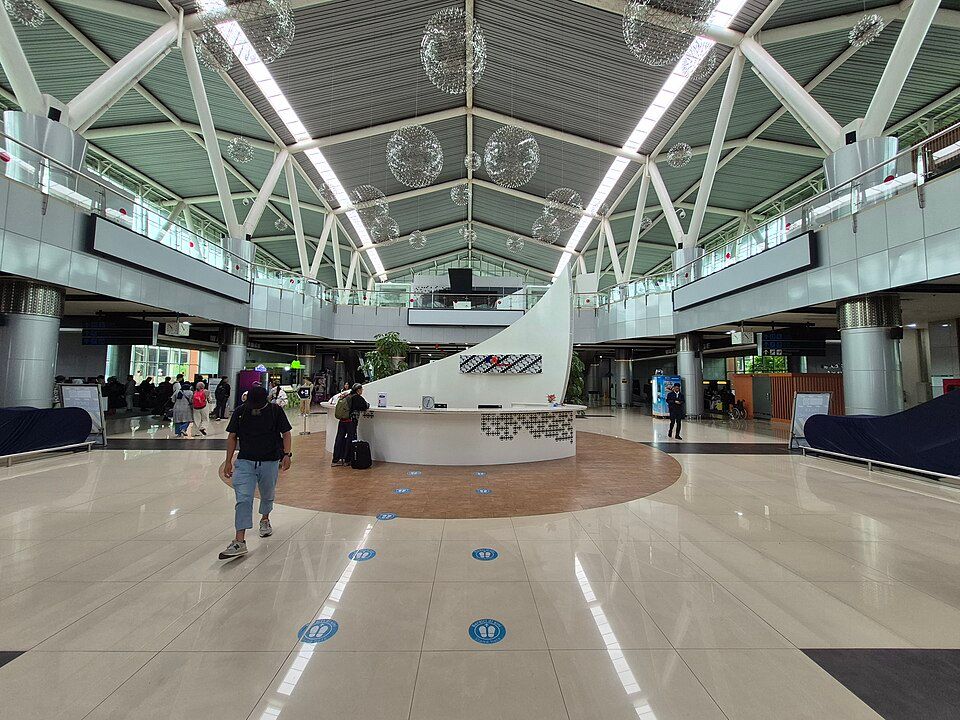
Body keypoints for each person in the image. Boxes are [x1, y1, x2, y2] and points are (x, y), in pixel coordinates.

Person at [219, 385, 292, 559]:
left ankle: (265, 519)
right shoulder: (241, 411)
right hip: (244, 462)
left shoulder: (275, 411)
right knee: (243, 499)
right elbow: (232, 436)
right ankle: (239, 540)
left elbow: (286, 432)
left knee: (267, 495)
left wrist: (287, 454)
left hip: (270, 461)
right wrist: (228, 461)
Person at [332, 383, 369, 466]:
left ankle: (335, 460)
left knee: (339, 439)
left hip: (342, 421)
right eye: (361, 389)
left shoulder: (346, 395)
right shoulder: (357, 397)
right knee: (350, 439)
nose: (362, 391)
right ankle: (347, 460)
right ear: (358, 390)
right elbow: (365, 406)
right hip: (351, 421)